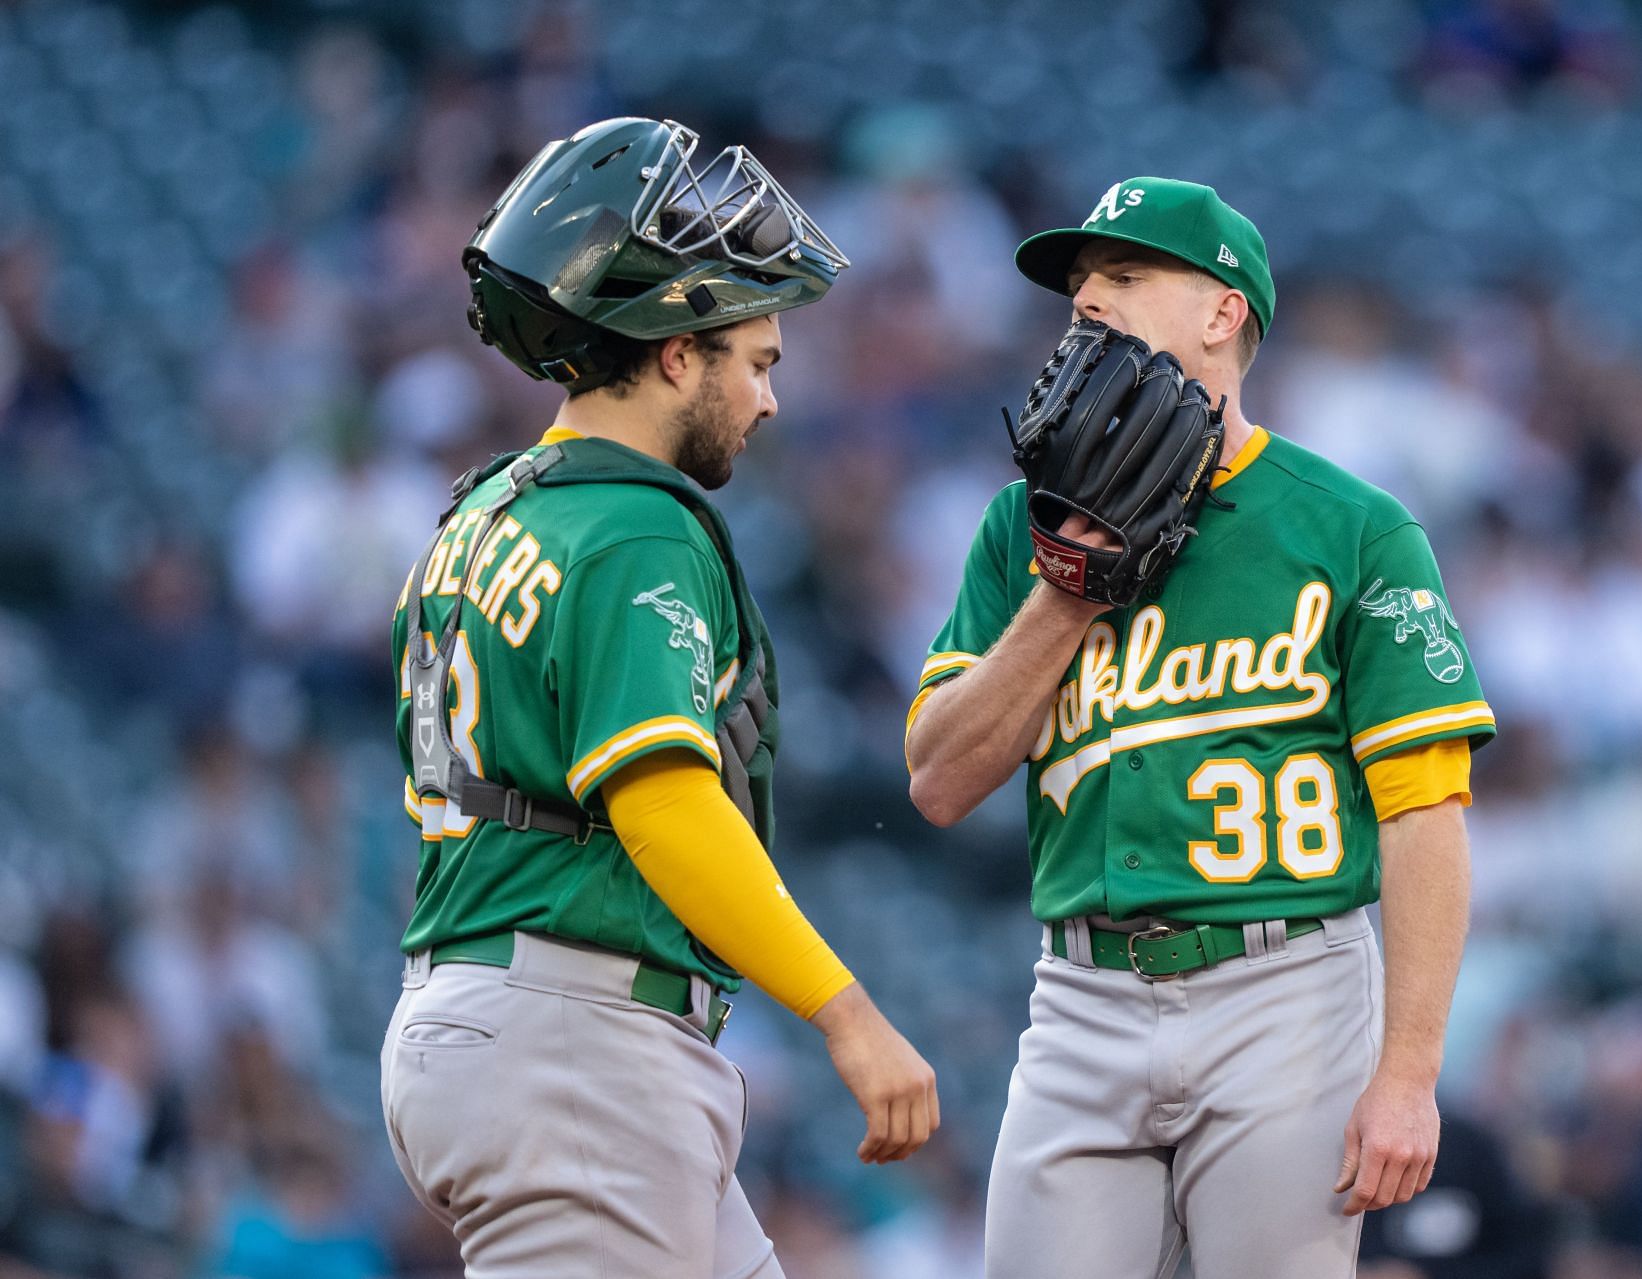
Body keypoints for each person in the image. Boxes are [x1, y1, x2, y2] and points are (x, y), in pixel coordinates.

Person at [906, 176, 1495, 1277]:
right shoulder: (1018, 528)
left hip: (1287, 991)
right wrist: (1071, 584)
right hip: (1082, 993)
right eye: (1077, 287)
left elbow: (1426, 820)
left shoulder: (1353, 528)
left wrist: (1409, 1072)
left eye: (1124, 278)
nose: (1086, 301)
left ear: (1225, 312)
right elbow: (938, 780)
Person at [379, 117, 937, 1279]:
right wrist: (849, 1017)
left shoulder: (485, 513)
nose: (770, 397)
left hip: (506, 1012)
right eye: (758, 358)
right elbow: (662, 800)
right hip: (571, 1042)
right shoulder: (633, 525)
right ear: (678, 352)